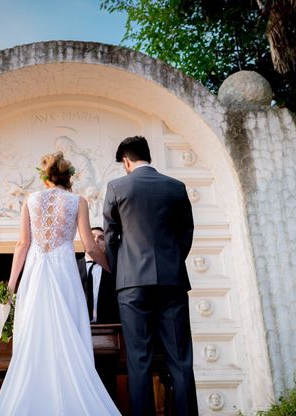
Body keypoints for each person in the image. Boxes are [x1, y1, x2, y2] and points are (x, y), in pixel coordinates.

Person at [0, 152, 120, 415]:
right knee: (68, 335)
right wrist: (112, 270)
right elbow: (90, 247)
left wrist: (11, 287)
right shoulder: (78, 201)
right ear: (69, 176)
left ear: (45, 177)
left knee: (34, 336)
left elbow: (22, 244)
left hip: (36, 272)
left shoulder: (31, 200)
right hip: (64, 273)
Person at [103, 136, 198, 416]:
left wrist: (120, 272)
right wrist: (171, 262)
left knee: (139, 360)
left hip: (132, 284)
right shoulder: (176, 187)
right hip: (172, 282)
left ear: (126, 162)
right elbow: (186, 233)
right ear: (148, 157)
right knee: (180, 360)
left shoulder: (117, 187)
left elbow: (110, 237)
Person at [77, 227, 120, 324]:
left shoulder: (114, 268)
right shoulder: (73, 267)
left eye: (101, 238)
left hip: (109, 328)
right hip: (78, 328)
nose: (96, 240)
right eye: (92, 237)